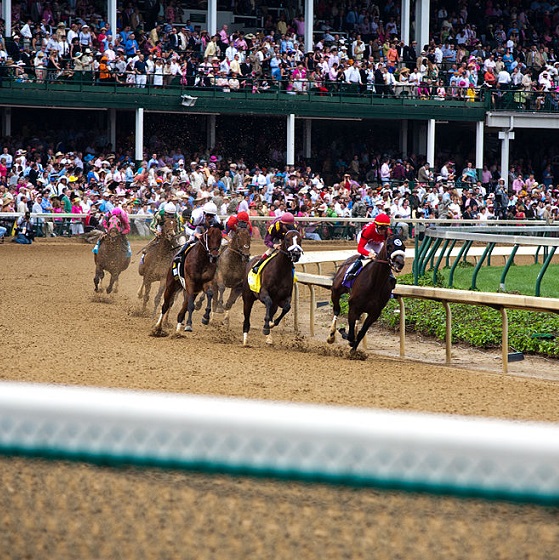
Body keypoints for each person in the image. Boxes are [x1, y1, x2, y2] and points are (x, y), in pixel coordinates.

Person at [344, 212, 391, 281]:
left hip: (377, 242)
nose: (383, 231)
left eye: (385, 228)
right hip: (366, 241)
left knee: (385, 256)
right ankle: (351, 272)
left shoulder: (388, 232)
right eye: (381, 228)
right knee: (365, 256)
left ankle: (390, 274)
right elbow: (360, 248)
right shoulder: (368, 231)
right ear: (376, 226)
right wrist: (369, 254)